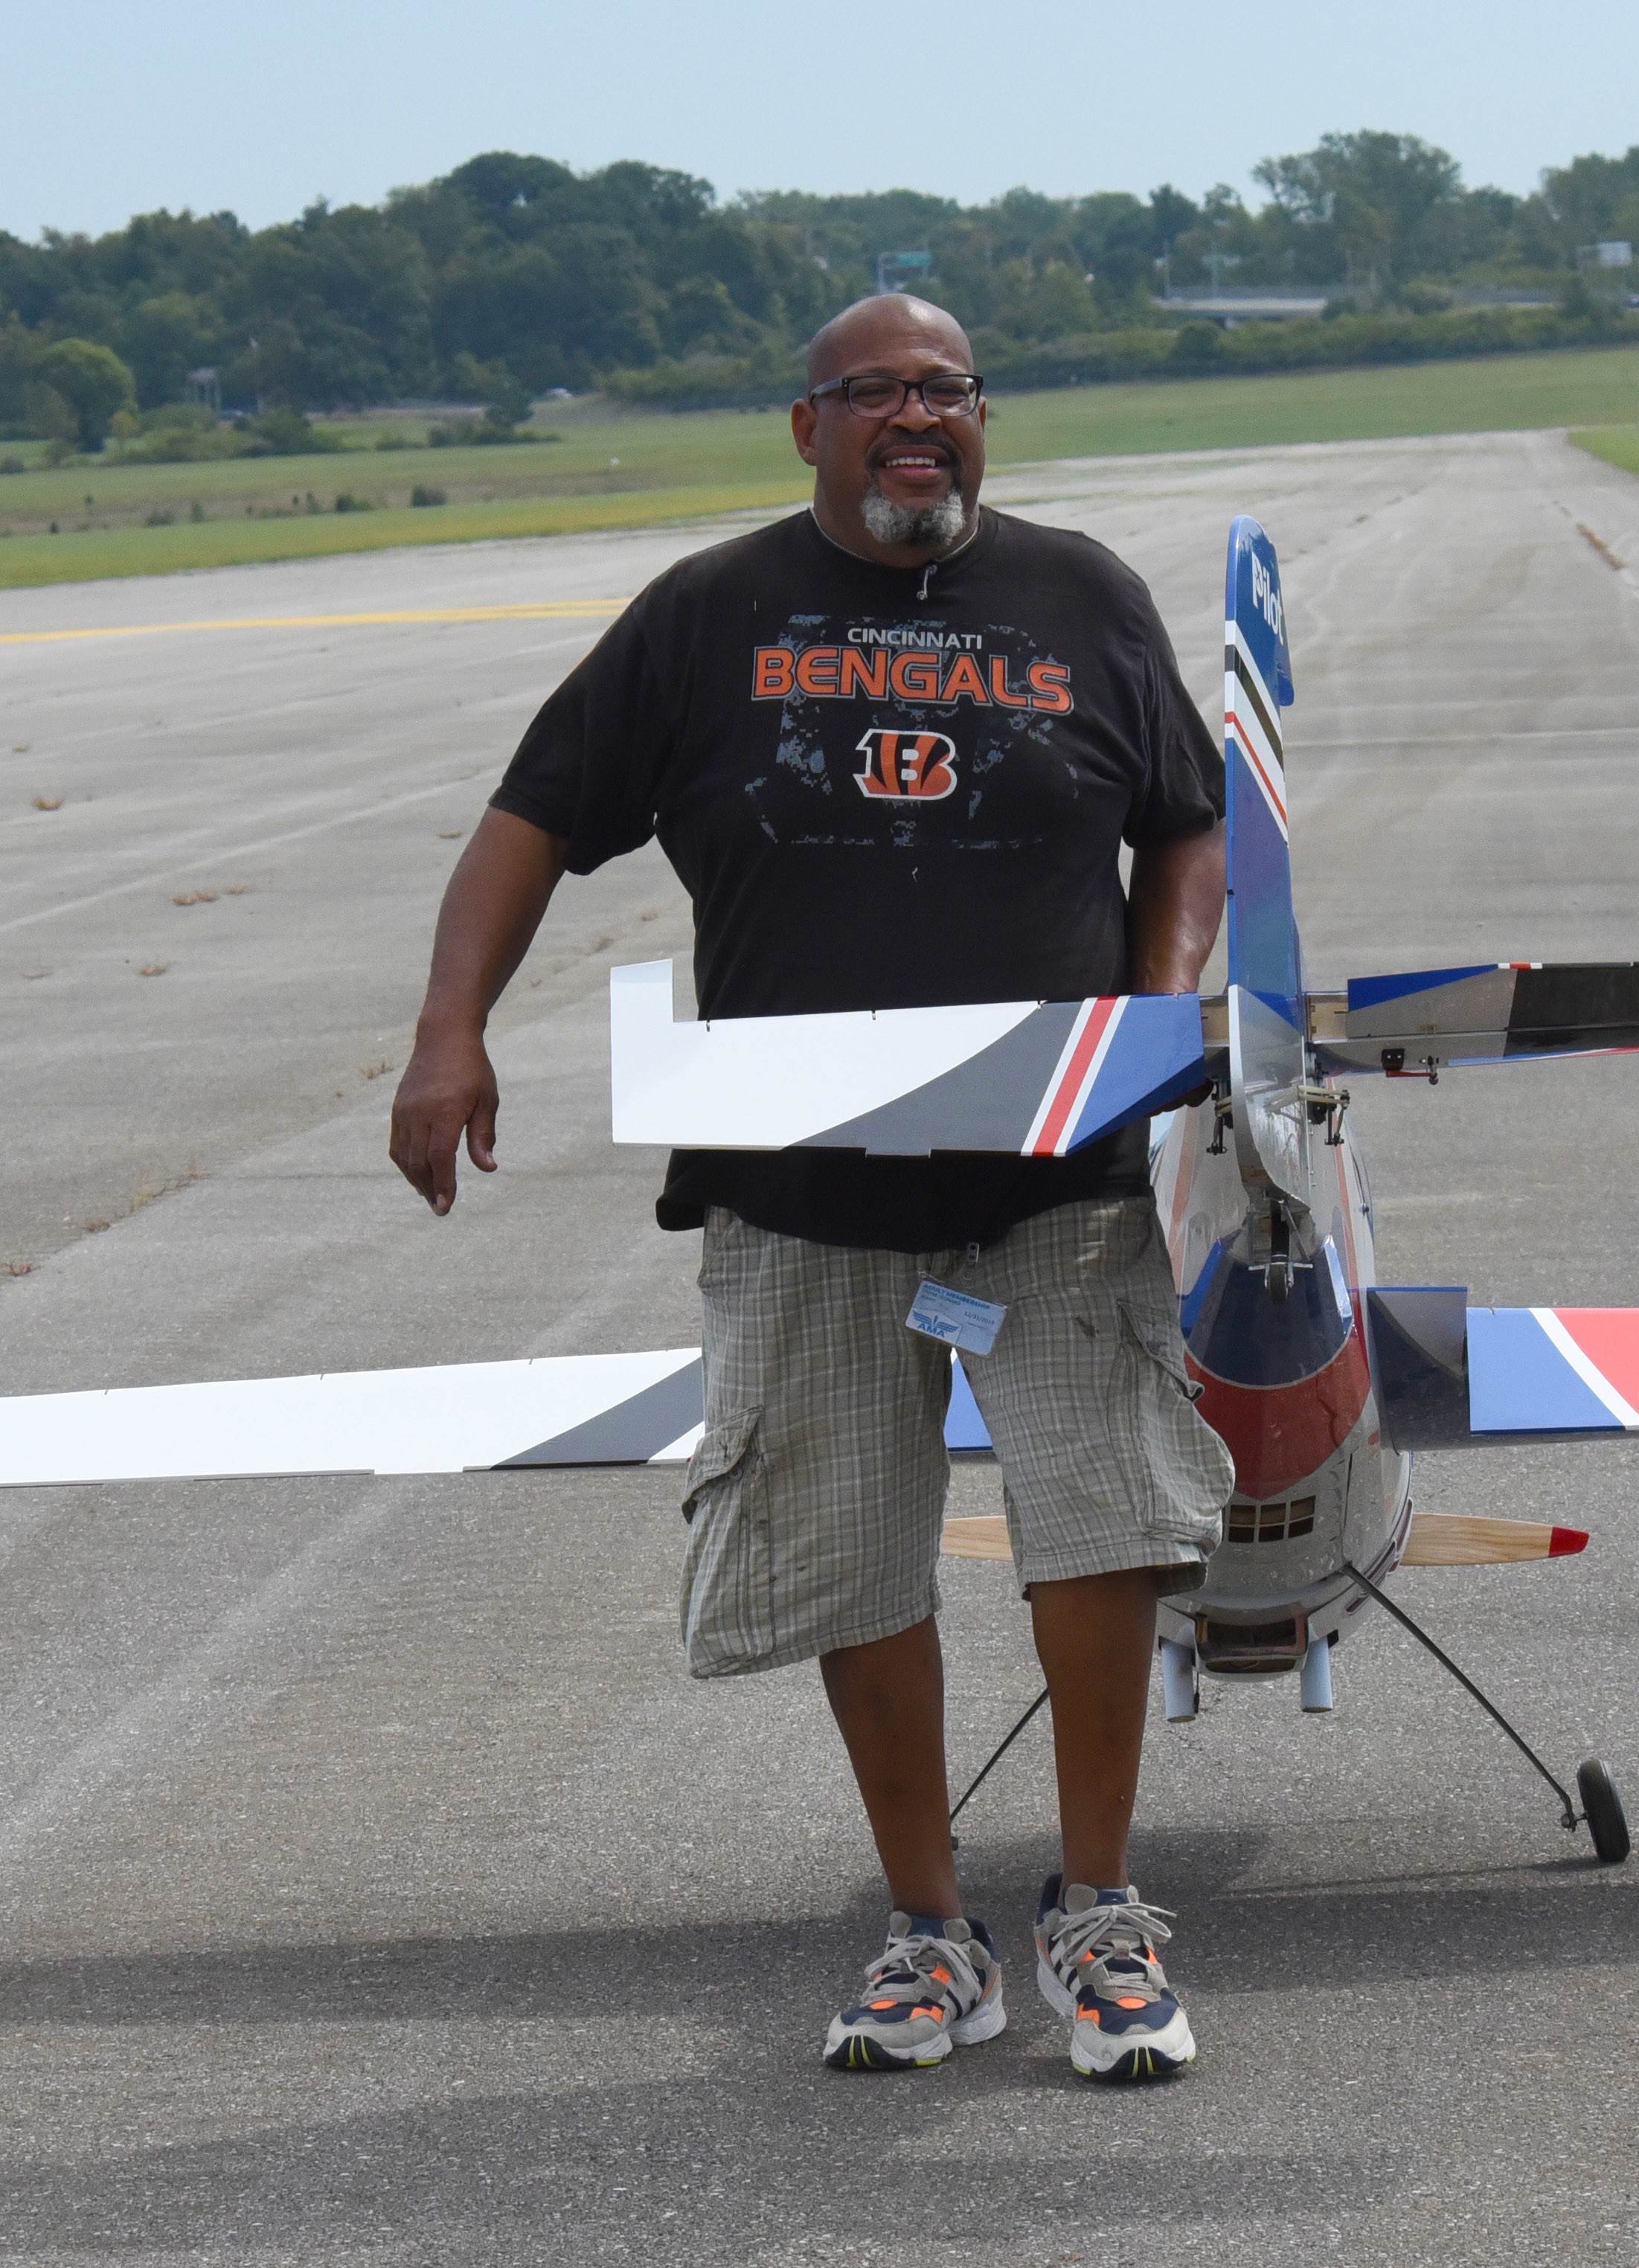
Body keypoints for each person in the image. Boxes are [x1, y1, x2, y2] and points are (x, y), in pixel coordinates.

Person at [388, 295, 1233, 2082]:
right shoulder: (707, 616)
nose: (916, 421)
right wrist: (447, 1032)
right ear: (807, 428)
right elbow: (528, 818)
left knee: (1102, 1525)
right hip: (801, 1181)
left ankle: (1096, 1911)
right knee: (852, 1549)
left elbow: (1183, 816)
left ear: (984, 422)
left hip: (1055, 1171)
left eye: (947, 394)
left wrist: (1157, 1021)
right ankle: (933, 1933)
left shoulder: (1083, 596)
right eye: (876, 397)